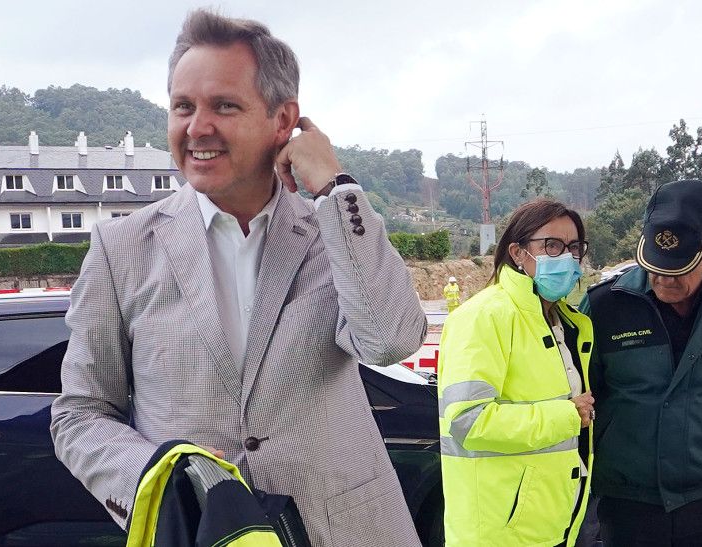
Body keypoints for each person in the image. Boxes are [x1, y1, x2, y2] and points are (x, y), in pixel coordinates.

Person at [49, 9, 427, 546]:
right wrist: (165, 477)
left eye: (224, 106)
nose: (197, 127)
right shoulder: (122, 248)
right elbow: (81, 415)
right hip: (204, 532)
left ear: (282, 121)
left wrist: (337, 188)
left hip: (347, 531)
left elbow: (390, 340)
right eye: (183, 106)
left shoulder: (334, 230)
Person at [582, 180, 702, 546]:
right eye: (653, 266)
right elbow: (584, 395)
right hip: (627, 502)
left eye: (678, 269)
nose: (662, 279)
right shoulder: (604, 306)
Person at [438, 199, 596, 546]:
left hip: (547, 528)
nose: (566, 257)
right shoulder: (484, 317)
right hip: (499, 533)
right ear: (518, 252)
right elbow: (469, 421)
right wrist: (567, 416)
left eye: (574, 247)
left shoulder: (565, 323)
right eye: (551, 245)